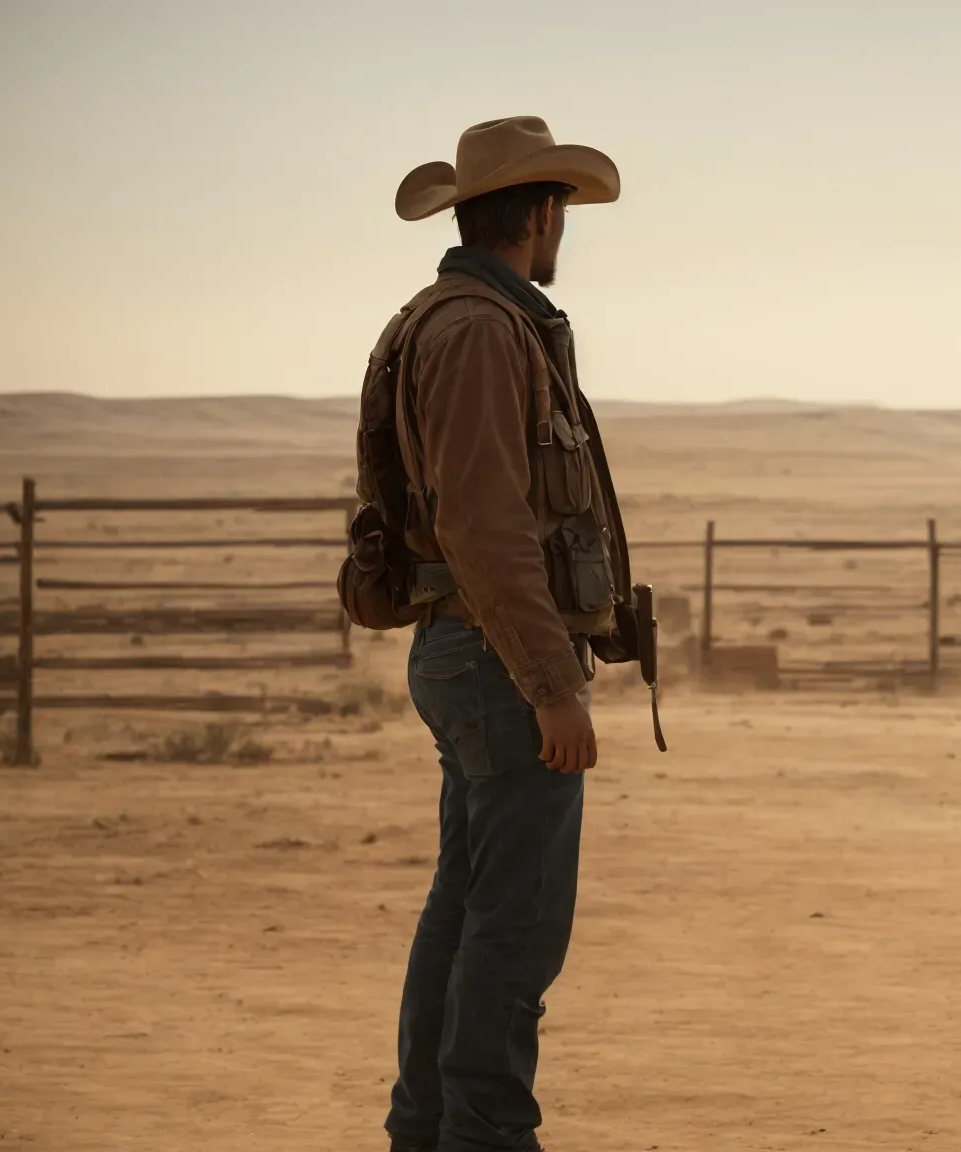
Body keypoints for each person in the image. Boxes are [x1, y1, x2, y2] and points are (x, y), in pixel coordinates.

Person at [374, 116, 631, 1152]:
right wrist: (552, 684)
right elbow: (483, 523)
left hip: (468, 651)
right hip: (496, 660)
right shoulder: (483, 329)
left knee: (468, 907)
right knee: (514, 924)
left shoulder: (445, 318)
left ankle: (432, 1130)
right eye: (560, 210)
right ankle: (482, 1136)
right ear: (540, 213)